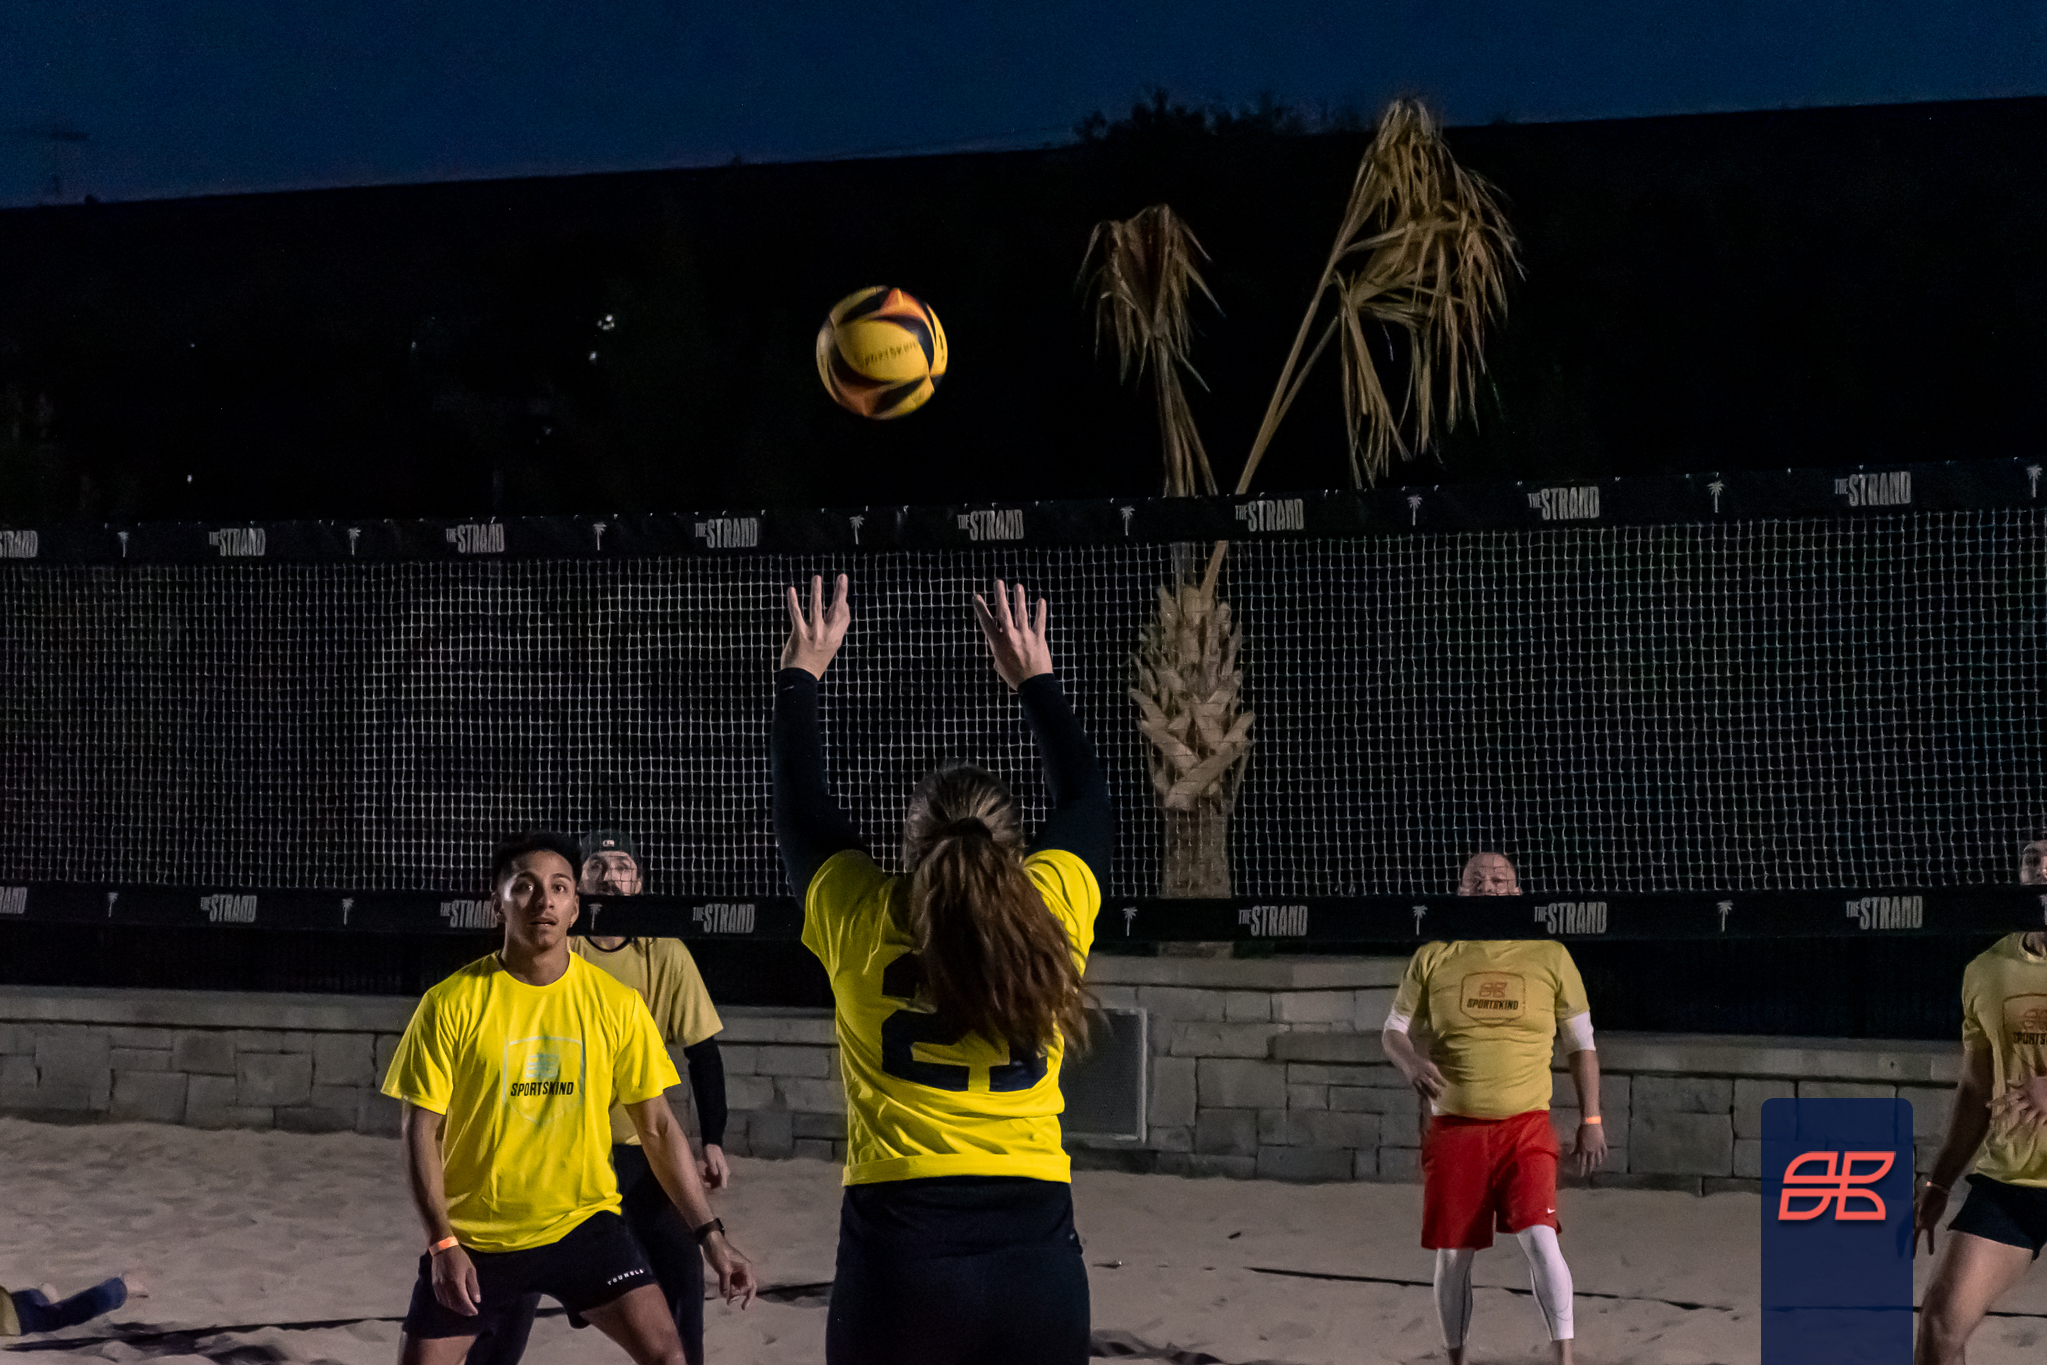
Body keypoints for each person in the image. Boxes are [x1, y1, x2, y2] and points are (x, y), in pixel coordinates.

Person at [773, 574, 1110, 1365]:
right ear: (1016, 849)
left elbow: (798, 802)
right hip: (1034, 1244)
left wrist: (801, 674)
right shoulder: (1052, 904)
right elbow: (1090, 797)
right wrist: (1035, 680)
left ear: (909, 843)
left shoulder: (858, 912)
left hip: (901, 1241)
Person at [380, 830, 756, 1365]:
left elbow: (658, 1128)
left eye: (559, 888)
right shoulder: (449, 1004)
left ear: (576, 907)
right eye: (526, 887)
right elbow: (419, 1131)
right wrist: (442, 1243)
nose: (544, 900)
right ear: (497, 902)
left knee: (670, 1356)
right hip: (482, 1237)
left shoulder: (617, 1005)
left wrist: (713, 1239)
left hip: (583, 1226)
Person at [1381, 851, 1605, 1365]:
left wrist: (1591, 1120)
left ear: (1517, 892)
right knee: (1454, 1254)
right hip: (1455, 1128)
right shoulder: (1435, 953)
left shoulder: (1549, 955)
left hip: (1525, 1126)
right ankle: (1456, 1355)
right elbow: (1392, 1033)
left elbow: (1582, 1045)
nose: (1488, 886)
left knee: (1540, 1238)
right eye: (1477, 880)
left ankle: (1563, 1356)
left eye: (1500, 880)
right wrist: (1411, 1062)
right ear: (1460, 893)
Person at [1910, 838, 2047, 1363]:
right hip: (2013, 1182)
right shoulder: (1986, 970)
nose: (2040, 866)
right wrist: (1940, 1180)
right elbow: (1975, 1089)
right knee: (1941, 1328)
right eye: (2031, 857)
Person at [2, 1276, 135, 1337]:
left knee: (65, 1315)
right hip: (14, 1303)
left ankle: (119, 1288)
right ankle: (40, 1296)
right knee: (55, 1313)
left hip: (16, 1317)